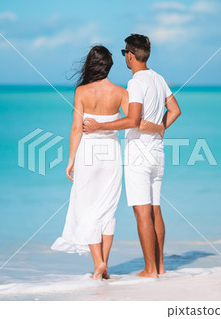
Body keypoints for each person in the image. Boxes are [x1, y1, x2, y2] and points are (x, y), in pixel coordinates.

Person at [51, 45, 161, 280]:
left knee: (88, 208)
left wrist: (70, 160)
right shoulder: (120, 92)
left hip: (88, 153)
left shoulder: (81, 91)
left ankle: (98, 263)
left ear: (91, 65)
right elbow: (133, 121)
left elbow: (75, 128)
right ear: (109, 65)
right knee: (107, 211)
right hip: (111, 153)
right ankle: (105, 266)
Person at [83, 34, 181, 278]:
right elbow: (176, 110)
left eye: (124, 51)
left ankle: (149, 270)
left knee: (142, 211)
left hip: (139, 154)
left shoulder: (136, 83)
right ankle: (159, 266)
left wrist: (99, 127)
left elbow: (133, 120)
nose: (124, 55)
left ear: (130, 54)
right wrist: (161, 128)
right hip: (157, 153)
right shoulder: (158, 79)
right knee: (155, 209)